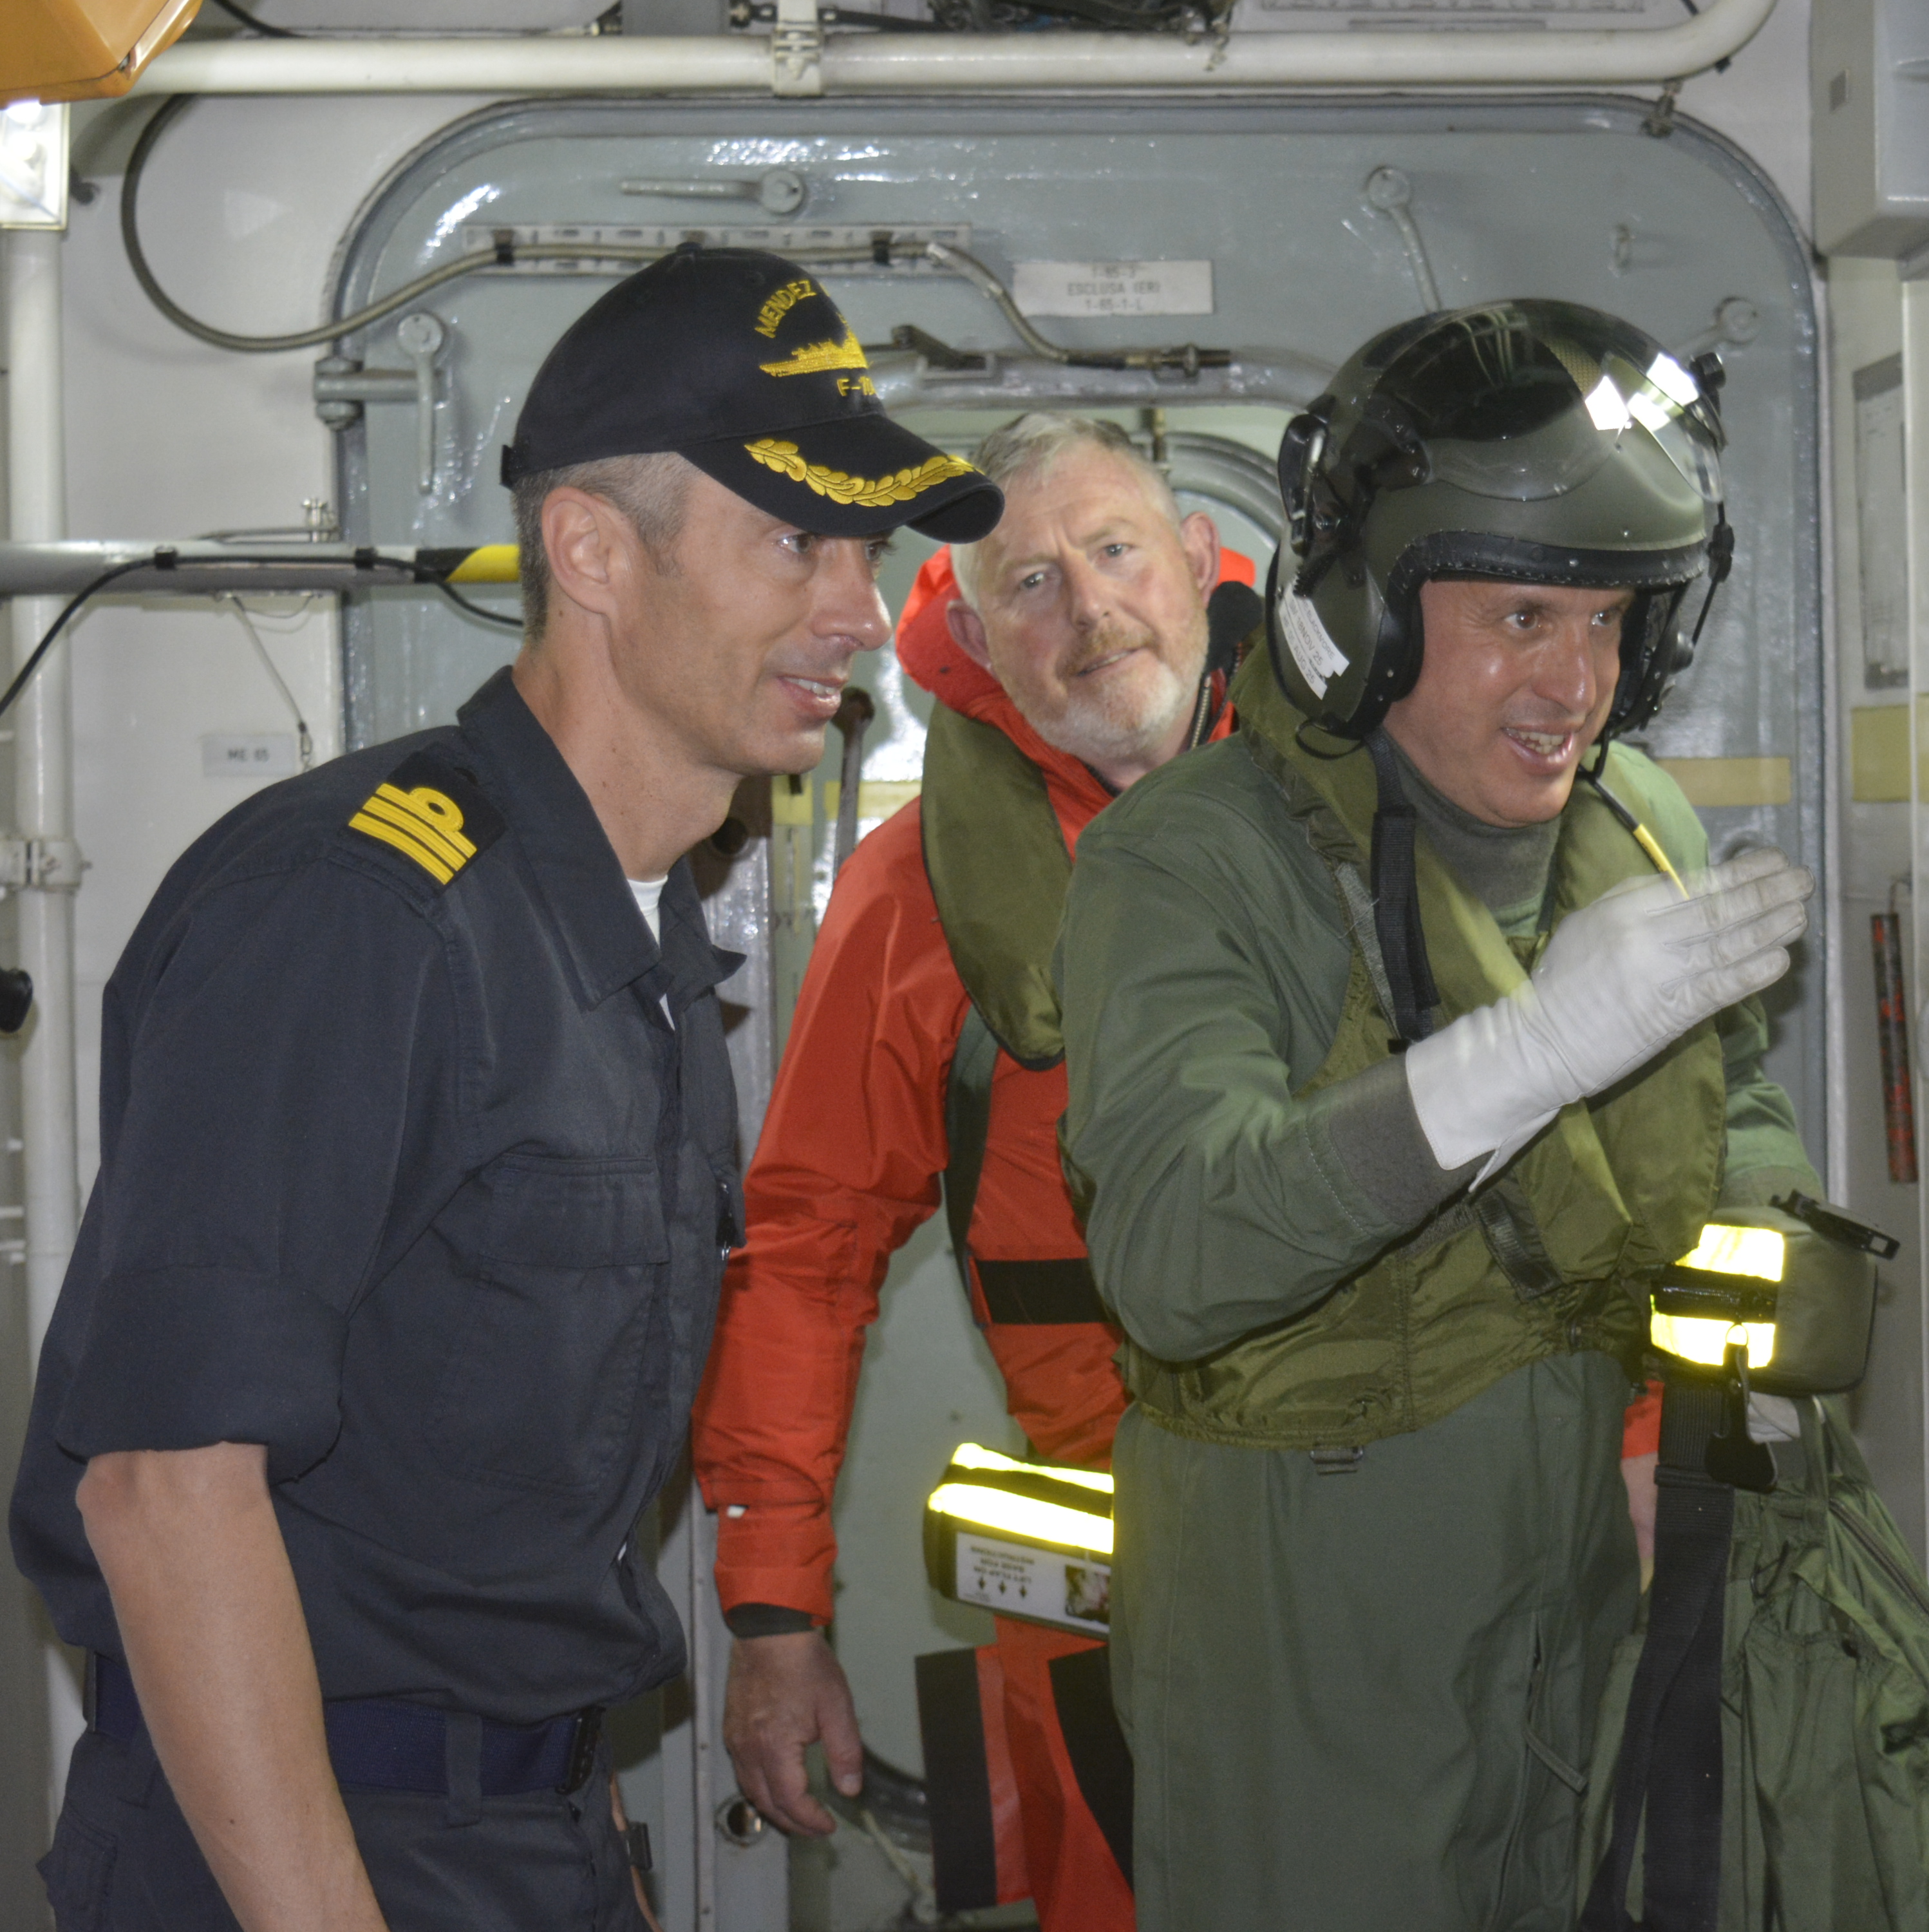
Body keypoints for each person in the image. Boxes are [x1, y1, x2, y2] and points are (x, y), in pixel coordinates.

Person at [8, 244, 998, 1932]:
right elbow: (166, 1489)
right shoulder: (363, 908)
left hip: (520, 1828)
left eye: (866, 545)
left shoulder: (633, 932)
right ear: (595, 551)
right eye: (793, 539)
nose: (855, 602)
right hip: (298, 1849)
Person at [1053, 299, 1820, 1930]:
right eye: (1525, 618)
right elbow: (1178, 1250)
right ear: (1376, 616)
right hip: (1312, 1629)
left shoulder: (1640, 825)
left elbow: (1734, 1120)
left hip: (1593, 1599)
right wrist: (1531, 1049)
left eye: (1614, 626)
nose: (1579, 686)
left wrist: (1688, 1417)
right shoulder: (1191, 862)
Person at [689, 412, 1250, 1929]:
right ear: (975, 636)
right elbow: (803, 1252)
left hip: (1416, 1546)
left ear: (1200, 566)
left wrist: (1639, 1450)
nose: (1088, 610)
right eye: (1028, 586)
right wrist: (773, 1606)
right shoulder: (924, 892)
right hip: (1109, 1610)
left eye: (1115, 551)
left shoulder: (1370, 806)